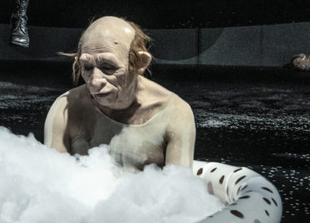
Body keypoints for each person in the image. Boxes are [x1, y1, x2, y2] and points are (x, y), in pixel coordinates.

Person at [44, 16, 196, 171]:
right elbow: (50, 179)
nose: (94, 82)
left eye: (108, 67)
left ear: (140, 63)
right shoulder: (66, 108)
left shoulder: (174, 113)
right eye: (87, 67)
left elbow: (179, 185)